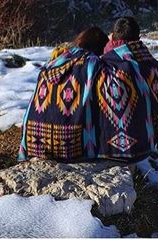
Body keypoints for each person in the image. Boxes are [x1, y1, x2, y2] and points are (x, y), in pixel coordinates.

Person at [18, 27, 108, 162]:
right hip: (71, 145)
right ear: (100, 47)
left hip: (34, 141)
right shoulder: (94, 64)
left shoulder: (54, 62)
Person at [97, 16, 158, 161]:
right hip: (144, 142)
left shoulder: (104, 62)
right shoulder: (152, 65)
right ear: (138, 37)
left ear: (113, 36)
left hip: (109, 142)